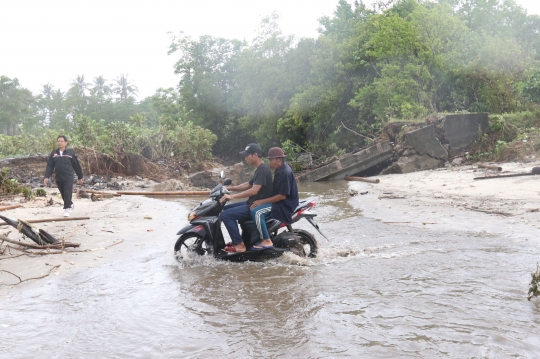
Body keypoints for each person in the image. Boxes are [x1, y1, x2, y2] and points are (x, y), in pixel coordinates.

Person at [219, 143, 273, 253]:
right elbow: (248, 184)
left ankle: (239, 245)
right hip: (252, 202)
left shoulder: (263, 169)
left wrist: (232, 196)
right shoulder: (259, 169)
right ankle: (238, 239)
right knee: (225, 209)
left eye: (247, 155)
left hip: (257, 205)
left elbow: (254, 190)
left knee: (226, 215)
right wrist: (230, 188)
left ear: (255, 155)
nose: (245, 158)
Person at [249, 147, 299, 249]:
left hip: (285, 205)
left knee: (256, 212)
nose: (269, 163)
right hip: (280, 202)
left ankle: (267, 240)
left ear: (279, 160)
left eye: (271, 160)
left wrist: (261, 201)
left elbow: (282, 196)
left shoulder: (285, 172)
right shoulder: (279, 170)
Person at [44, 135, 84, 217]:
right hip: (58, 176)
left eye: (62, 141)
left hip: (68, 176)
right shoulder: (54, 153)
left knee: (67, 191)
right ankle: (70, 204)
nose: (60, 142)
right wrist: (46, 177)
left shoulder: (70, 153)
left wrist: (80, 177)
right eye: (58, 141)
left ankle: (67, 209)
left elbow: (76, 165)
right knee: (63, 193)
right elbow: (50, 165)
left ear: (66, 143)